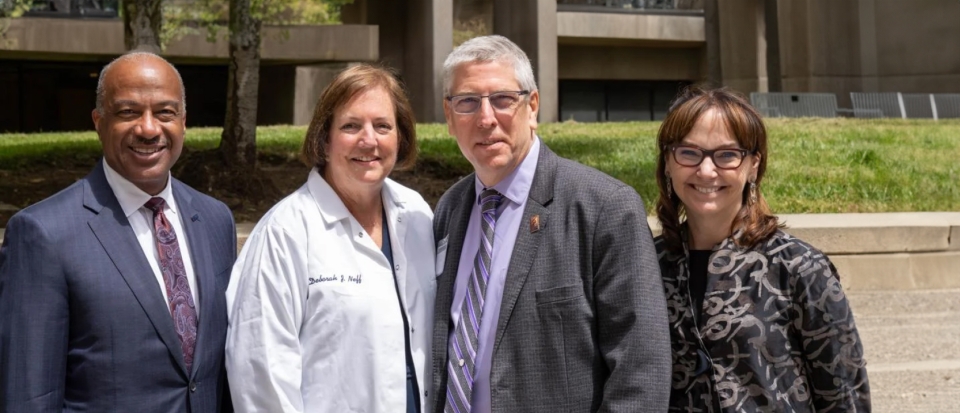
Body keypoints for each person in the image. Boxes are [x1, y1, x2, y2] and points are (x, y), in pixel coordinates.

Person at [431, 35, 671, 413]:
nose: (486, 118)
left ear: (533, 106)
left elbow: (640, 368)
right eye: (467, 102)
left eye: (503, 99)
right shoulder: (450, 209)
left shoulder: (603, 208)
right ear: (449, 117)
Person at [0, 52, 237, 412]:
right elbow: (29, 395)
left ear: (184, 122)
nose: (148, 128)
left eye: (165, 113)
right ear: (99, 121)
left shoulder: (216, 219)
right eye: (128, 112)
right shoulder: (42, 234)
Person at [224, 64, 435, 413]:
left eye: (383, 126)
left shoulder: (416, 215)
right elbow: (260, 372)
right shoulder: (285, 231)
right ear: (324, 139)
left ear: (401, 137)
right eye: (351, 126)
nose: (369, 140)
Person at [654, 85, 871, 412]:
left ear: (753, 164)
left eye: (727, 154)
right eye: (688, 152)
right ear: (668, 163)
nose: (706, 170)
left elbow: (844, 394)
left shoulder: (799, 267)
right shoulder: (644, 263)